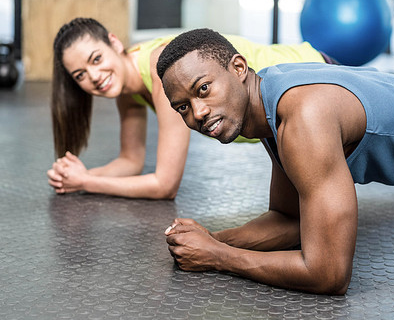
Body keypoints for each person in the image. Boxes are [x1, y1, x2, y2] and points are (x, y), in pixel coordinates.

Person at [157, 28, 394, 294]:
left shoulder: (304, 117)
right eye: (183, 107)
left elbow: (329, 273)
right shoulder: (268, 100)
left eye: (203, 88)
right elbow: (288, 220)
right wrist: (211, 239)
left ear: (238, 68)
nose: (198, 112)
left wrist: (218, 256)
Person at [46, 17, 333, 199]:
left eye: (96, 59)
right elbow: (131, 161)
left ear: (114, 42)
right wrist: (80, 175)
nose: (94, 76)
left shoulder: (161, 74)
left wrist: (86, 183)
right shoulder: (126, 86)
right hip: (283, 115)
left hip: (314, 80)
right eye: (80, 75)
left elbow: (164, 185)